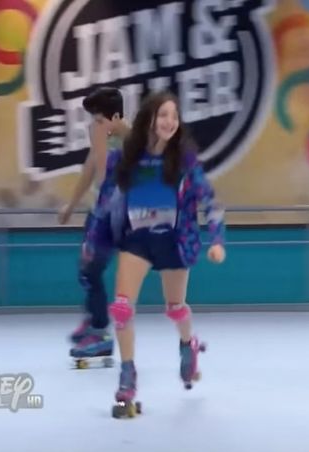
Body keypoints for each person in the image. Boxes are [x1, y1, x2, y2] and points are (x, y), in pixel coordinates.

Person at [85, 91, 226, 417]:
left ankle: (188, 345)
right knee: (121, 308)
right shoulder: (124, 158)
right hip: (137, 239)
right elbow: (104, 203)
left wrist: (217, 240)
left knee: (175, 307)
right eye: (163, 115)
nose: (169, 122)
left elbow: (210, 201)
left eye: (174, 116)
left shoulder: (184, 160)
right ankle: (127, 376)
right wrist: (93, 240)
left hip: (174, 240)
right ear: (149, 119)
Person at [60, 87, 129, 361]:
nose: (95, 126)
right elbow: (89, 170)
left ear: (116, 117)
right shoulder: (105, 136)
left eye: (99, 120)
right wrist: (71, 205)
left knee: (92, 271)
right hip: (98, 213)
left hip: (115, 218)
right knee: (85, 269)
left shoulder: (133, 141)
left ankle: (100, 334)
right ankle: (94, 320)